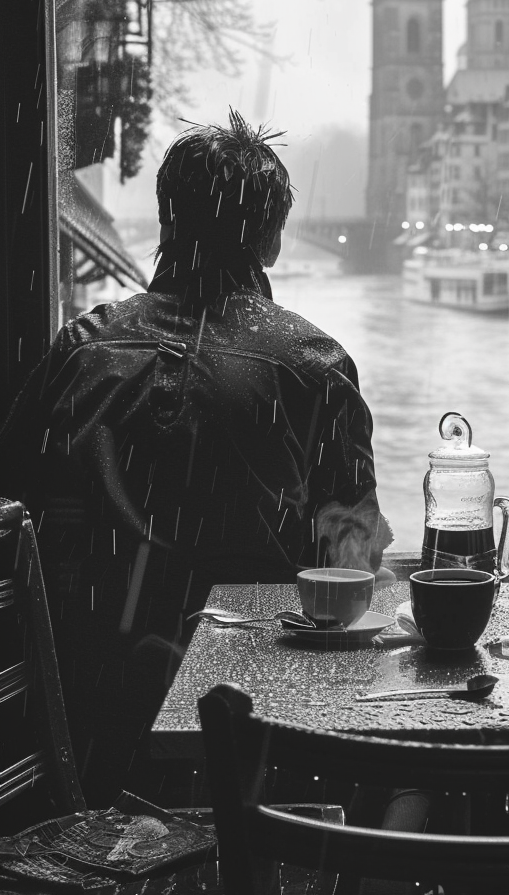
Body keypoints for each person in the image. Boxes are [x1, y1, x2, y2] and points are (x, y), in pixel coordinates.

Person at [0, 111, 391, 803]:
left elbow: (12, 518)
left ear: (166, 219)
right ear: (269, 241)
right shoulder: (314, 367)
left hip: (85, 749)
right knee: (418, 793)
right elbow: (349, 571)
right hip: (256, 755)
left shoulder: (81, 350)